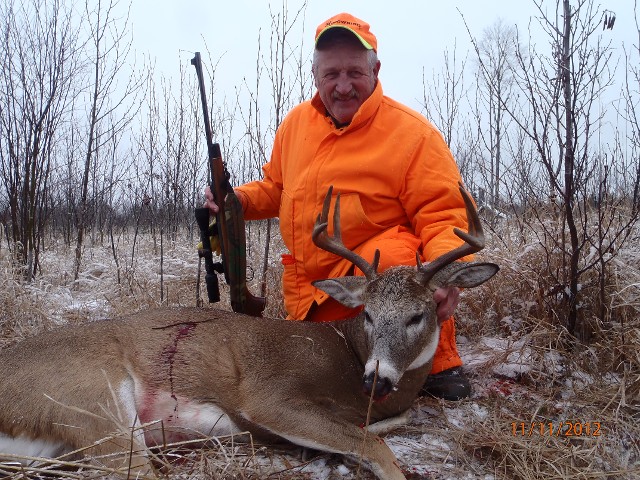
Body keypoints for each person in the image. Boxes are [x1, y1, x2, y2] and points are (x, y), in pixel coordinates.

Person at [205, 13, 472, 400]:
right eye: (331, 74)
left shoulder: (413, 135)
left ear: (375, 70)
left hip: (376, 286)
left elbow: (442, 213)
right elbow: (277, 188)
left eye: (354, 73)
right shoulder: (295, 126)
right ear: (315, 74)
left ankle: (438, 365)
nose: (343, 87)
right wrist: (238, 201)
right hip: (314, 295)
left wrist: (447, 271)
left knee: (395, 259)